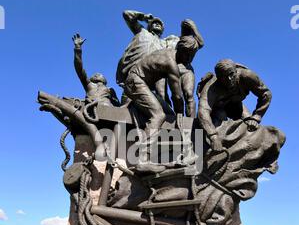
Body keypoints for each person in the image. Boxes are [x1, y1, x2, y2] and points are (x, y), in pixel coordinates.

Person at [124, 30, 200, 172]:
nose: (190, 59)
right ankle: (142, 159)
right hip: (135, 81)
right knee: (158, 115)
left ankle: (177, 153)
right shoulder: (170, 62)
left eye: (193, 55)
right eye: (189, 55)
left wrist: (177, 116)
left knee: (168, 113)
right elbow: (177, 96)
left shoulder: (171, 54)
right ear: (182, 51)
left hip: (142, 83)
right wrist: (180, 116)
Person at [197, 59, 272, 151]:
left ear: (236, 71)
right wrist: (213, 136)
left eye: (231, 74)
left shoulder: (247, 76)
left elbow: (265, 94)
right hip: (218, 109)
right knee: (220, 135)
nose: (229, 79)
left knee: (253, 129)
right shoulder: (211, 88)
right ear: (218, 77)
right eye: (224, 77)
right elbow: (203, 111)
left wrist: (256, 116)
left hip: (237, 105)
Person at [72, 33, 119, 106]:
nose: (97, 74)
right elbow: (79, 69)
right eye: (95, 75)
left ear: (105, 80)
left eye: (100, 75)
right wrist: (78, 48)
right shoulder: (89, 85)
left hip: (109, 111)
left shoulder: (110, 90)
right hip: (92, 110)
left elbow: (118, 106)